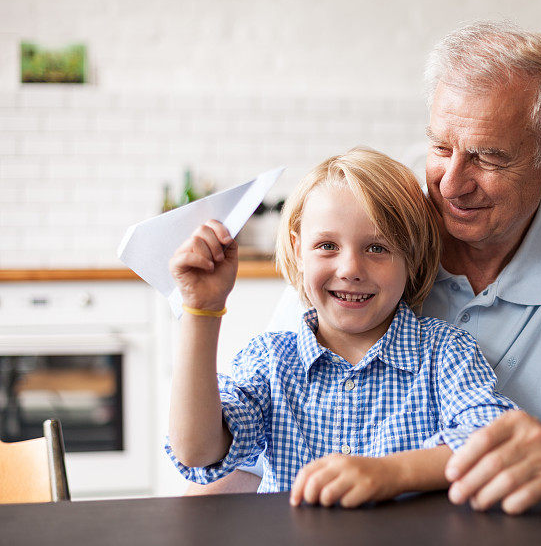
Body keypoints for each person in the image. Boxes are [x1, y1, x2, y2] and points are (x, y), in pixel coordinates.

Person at [186, 21, 541, 515]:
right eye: (441, 147)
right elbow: (243, 449)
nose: (451, 183)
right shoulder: (375, 229)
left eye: (488, 158)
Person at [166, 146, 517, 507]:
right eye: (327, 245)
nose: (350, 269)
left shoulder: (445, 353)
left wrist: (390, 474)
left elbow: (496, 441)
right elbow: (198, 452)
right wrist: (201, 310)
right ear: (298, 250)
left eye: (377, 248)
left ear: (411, 256)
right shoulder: (269, 361)